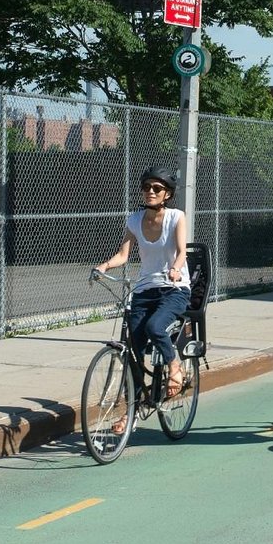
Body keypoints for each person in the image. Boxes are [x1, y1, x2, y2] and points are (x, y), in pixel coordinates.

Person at [92, 166, 192, 403]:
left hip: (174, 290)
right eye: (146, 187)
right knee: (133, 349)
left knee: (155, 327)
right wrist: (104, 266)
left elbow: (182, 252)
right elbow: (123, 255)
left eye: (157, 188)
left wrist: (176, 269)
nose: (150, 191)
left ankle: (174, 365)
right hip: (144, 291)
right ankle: (131, 410)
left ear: (167, 194)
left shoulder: (176, 217)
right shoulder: (135, 220)